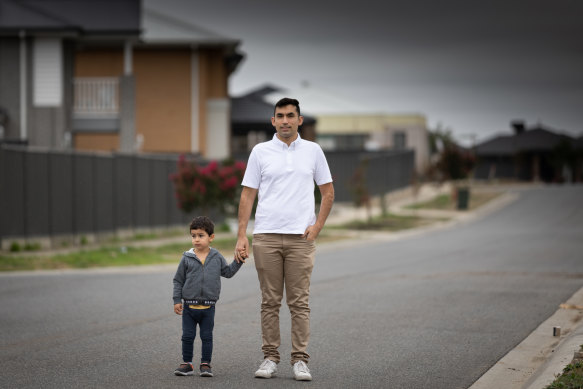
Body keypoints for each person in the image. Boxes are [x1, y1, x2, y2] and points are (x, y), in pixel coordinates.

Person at [234, 97, 334, 381]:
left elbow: (327, 192)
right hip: (265, 236)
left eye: (291, 115)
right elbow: (247, 194)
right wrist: (242, 234)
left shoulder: (313, 151)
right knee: (269, 301)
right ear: (273, 121)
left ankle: (300, 360)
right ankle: (270, 358)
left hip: (301, 239)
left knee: (299, 302)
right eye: (280, 116)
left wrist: (316, 227)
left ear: (300, 120)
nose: (285, 120)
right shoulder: (260, 151)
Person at [173, 216, 245, 377]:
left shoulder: (217, 257)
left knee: (206, 337)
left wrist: (239, 261)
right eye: (193, 236)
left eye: (201, 235)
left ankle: (205, 364)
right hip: (189, 307)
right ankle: (187, 364)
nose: (196, 239)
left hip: (208, 307)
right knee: (187, 336)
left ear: (211, 237)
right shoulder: (186, 258)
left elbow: (228, 273)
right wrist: (177, 300)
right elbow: (178, 280)